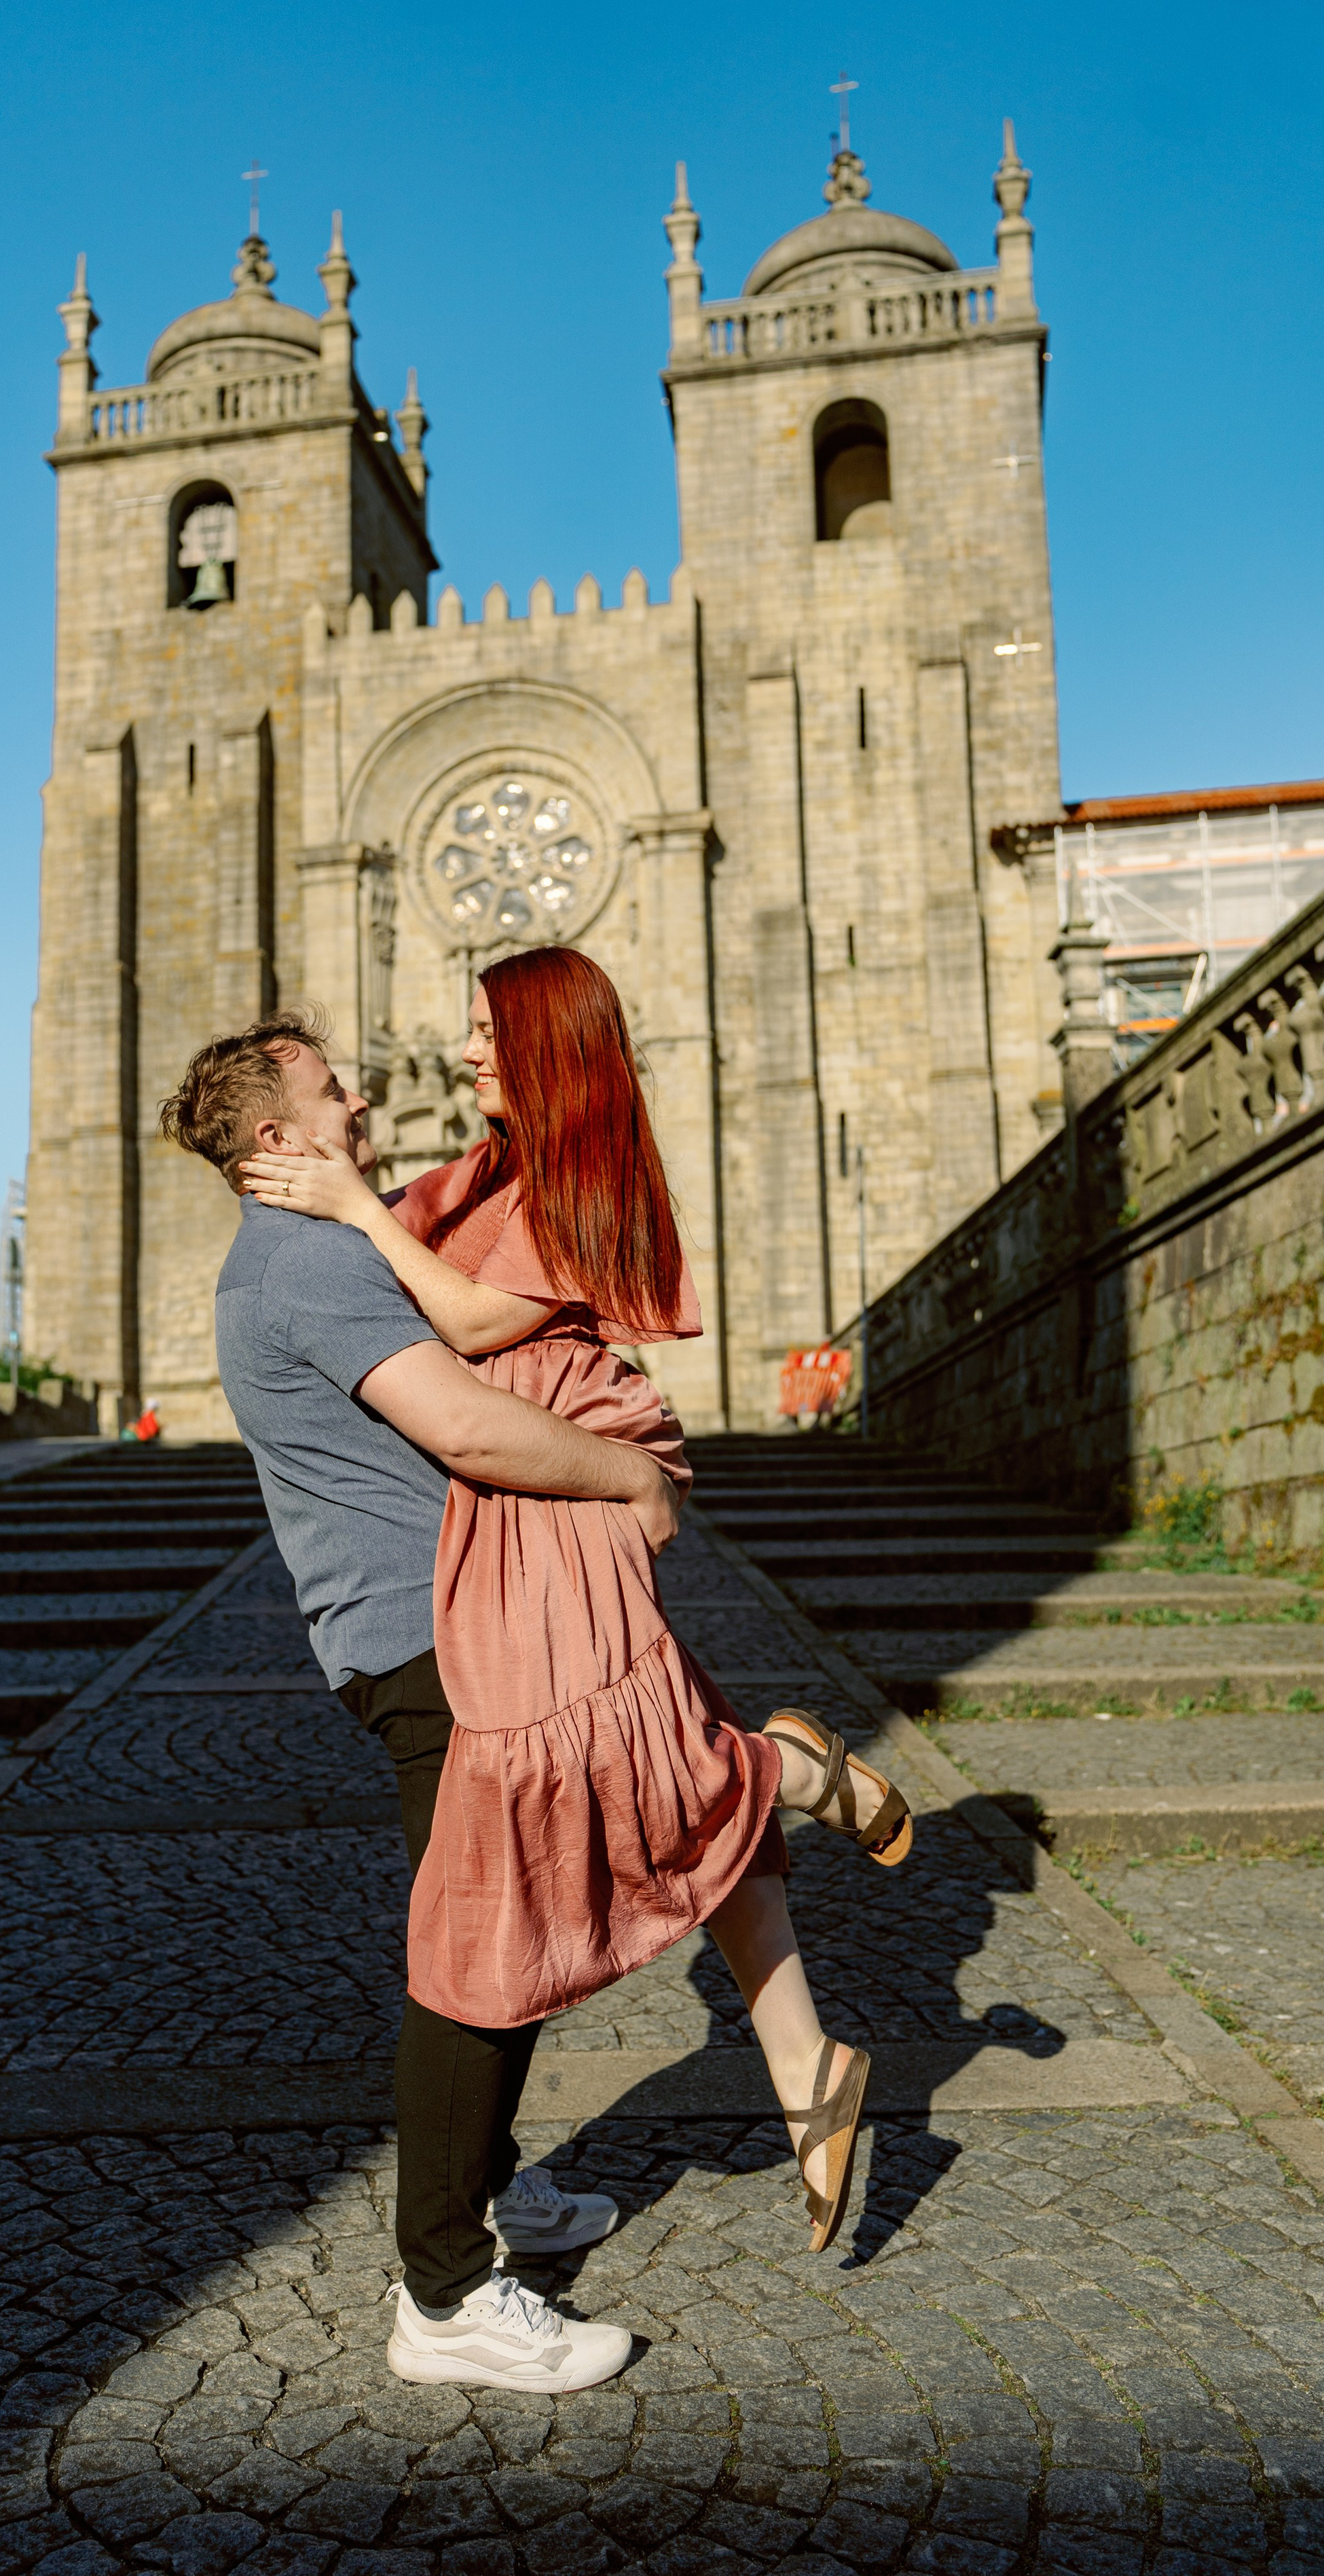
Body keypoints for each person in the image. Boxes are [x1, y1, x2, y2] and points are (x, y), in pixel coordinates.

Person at [240, 946, 911, 2271]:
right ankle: (804, 2063)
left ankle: (788, 1774)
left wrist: (354, 1204)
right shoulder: (480, 1170)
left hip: (558, 1490)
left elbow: (466, 1322)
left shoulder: (573, 1178)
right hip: (518, 1500)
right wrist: (322, 1188)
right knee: (661, 1748)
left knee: (635, 1763)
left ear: (548, 1048)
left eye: (488, 1035)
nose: (464, 1054)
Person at [163, 1015, 662, 2394]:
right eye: (335, 1091)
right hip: (427, 1643)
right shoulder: (305, 1262)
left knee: (511, 1925)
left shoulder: (311, 1248)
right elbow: (465, 1425)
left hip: (433, 1632)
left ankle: (489, 2188)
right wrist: (629, 1475)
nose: (365, 1100)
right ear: (278, 1136)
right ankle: (443, 2296)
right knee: (477, 1963)